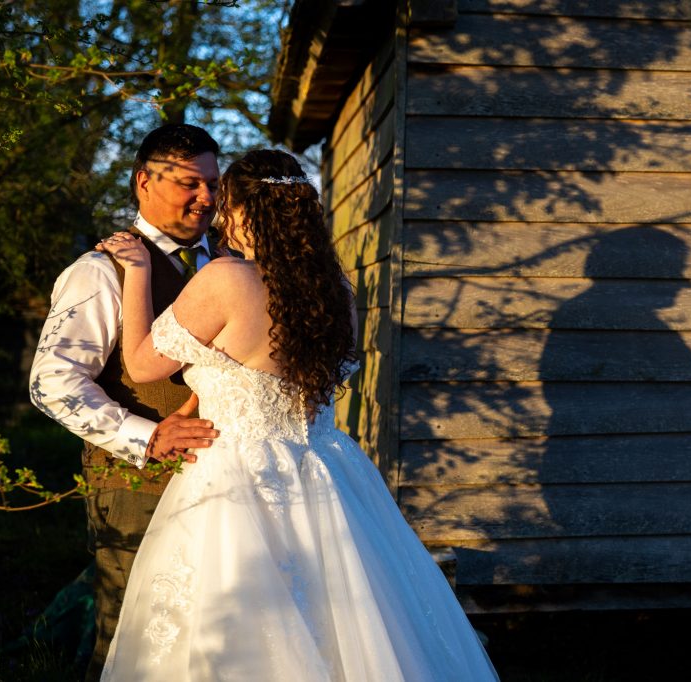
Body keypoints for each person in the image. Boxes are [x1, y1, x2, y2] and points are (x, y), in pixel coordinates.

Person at [96, 149, 499, 680]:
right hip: (329, 469)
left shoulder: (225, 279)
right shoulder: (336, 290)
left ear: (243, 211)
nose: (218, 215)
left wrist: (138, 270)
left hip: (238, 475)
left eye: (226, 203)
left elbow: (142, 363)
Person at [29, 123, 222, 680]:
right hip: (135, 487)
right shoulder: (99, 272)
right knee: (130, 641)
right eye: (190, 183)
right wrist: (147, 435)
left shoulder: (230, 265)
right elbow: (53, 383)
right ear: (144, 182)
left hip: (229, 484)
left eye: (212, 183)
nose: (206, 197)